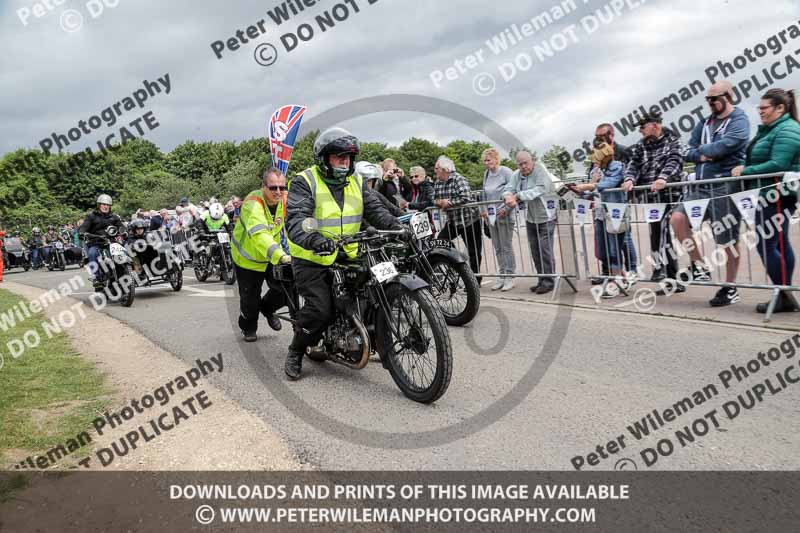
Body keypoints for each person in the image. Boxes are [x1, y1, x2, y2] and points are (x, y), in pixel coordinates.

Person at [284, 127, 402, 380]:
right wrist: (315, 239)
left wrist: (398, 227)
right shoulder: (305, 181)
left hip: (348, 253)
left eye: (348, 158)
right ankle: (296, 349)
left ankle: (371, 335)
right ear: (324, 158)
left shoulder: (357, 181)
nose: (344, 162)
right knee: (321, 310)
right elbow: (296, 220)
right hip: (312, 257)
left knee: (377, 288)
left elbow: (375, 210)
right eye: (339, 157)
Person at [669, 81, 751, 307]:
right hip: (700, 186)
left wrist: (703, 152)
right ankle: (698, 265)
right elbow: (686, 151)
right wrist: (704, 154)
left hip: (725, 185)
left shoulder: (739, 119)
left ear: (729, 96)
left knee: (727, 239)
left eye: (714, 98)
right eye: (707, 99)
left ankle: (730, 286)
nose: (710, 102)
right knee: (677, 219)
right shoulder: (704, 123)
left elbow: (728, 145)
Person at [732, 88, 800, 313]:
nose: (760, 112)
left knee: (767, 245)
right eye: (759, 108)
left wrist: (745, 171)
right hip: (770, 194)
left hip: (776, 195)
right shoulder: (774, 129)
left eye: (764, 108)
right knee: (778, 243)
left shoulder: (787, 129)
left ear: (780, 108)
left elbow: (779, 163)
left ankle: (783, 294)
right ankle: (784, 295)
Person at [621, 113, 684, 291]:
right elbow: (633, 163)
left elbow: (675, 160)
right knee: (656, 234)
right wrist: (629, 178)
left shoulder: (672, 139)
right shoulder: (642, 145)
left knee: (663, 233)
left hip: (670, 194)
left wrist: (663, 177)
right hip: (651, 197)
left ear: (655, 125)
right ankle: (668, 276)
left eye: (643, 126)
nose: (640, 130)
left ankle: (666, 273)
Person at [232, 169, 292, 342]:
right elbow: (259, 234)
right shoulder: (252, 202)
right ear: (263, 186)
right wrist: (281, 255)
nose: (279, 192)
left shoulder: (285, 199)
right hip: (247, 259)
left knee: (287, 288)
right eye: (273, 188)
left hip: (271, 254)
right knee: (250, 300)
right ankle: (248, 327)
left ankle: (267, 308)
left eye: (282, 187)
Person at [573, 142, 638, 297]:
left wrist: (591, 184)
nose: (592, 160)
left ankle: (616, 284)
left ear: (604, 155)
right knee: (603, 252)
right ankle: (620, 277)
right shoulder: (597, 170)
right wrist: (577, 190)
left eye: (595, 156)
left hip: (616, 214)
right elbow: (591, 193)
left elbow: (608, 184)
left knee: (614, 250)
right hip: (601, 215)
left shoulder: (617, 166)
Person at [503, 151, 557, 294]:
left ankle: (549, 281)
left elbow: (540, 189)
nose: (523, 166)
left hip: (546, 215)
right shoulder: (517, 175)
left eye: (526, 163)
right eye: (520, 164)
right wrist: (508, 195)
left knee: (545, 249)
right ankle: (541, 280)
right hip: (530, 217)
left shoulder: (541, 171)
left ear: (531, 160)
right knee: (535, 250)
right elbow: (508, 188)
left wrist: (518, 195)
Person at [433, 155, 483, 282]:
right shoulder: (438, 183)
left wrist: (448, 203)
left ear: (445, 169)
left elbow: (465, 197)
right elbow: (434, 199)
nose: (435, 170)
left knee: (474, 251)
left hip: (469, 220)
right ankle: (458, 262)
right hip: (453, 221)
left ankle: (476, 279)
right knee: (441, 240)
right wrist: (439, 202)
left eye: (437, 168)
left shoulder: (459, 179)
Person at [481, 148, 517, 291]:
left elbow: (513, 192)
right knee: (497, 247)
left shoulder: (506, 172)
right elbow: (484, 193)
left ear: (496, 159)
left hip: (505, 215)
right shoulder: (486, 174)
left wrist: (506, 209)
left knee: (506, 246)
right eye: (484, 160)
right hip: (491, 216)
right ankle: (502, 275)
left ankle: (510, 276)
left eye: (488, 160)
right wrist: (483, 209)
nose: (486, 163)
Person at [78, 194, 123, 287]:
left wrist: (124, 231)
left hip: (112, 242)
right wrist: (82, 232)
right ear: (99, 205)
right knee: (92, 253)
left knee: (125, 250)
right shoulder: (92, 217)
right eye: (103, 204)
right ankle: (96, 277)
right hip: (96, 242)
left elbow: (121, 226)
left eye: (108, 205)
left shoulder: (114, 217)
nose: (105, 206)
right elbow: (84, 227)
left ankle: (129, 271)